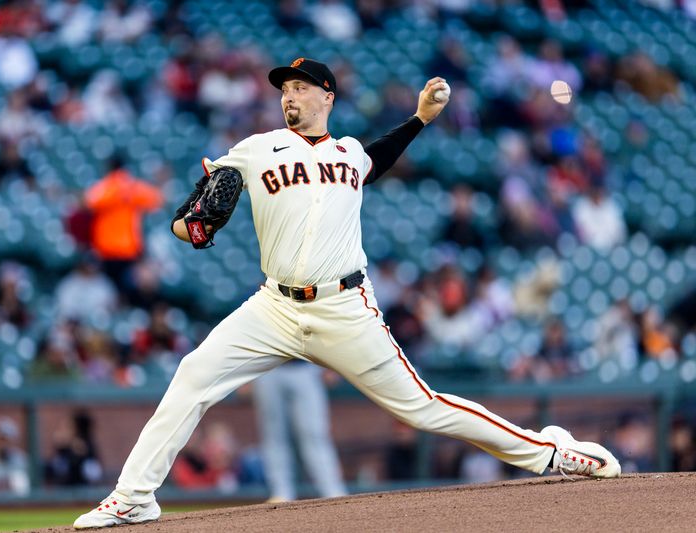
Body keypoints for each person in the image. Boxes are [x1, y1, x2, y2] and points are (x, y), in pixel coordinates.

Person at [74, 58, 621, 529]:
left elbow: (379, 154)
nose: (289, 95)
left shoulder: (350, 154)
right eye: (283, 89)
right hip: (274, 306)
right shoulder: (254, 150)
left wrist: (420, 120)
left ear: (325, 96)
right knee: (193, 375)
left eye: (299, 87)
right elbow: (187, 223)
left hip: (344, 306)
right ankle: (133, 499)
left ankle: (552, 453)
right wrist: (193, 224)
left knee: (425, 408)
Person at [252, 361, 347, 502]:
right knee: (274, 435)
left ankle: (332, 491)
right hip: (268, 366)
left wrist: (329, 364)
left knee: (314, 433)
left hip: (304, 365)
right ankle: (281, 493)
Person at [84, 155, 163, 290]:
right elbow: (156, 199)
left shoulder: (106, 186)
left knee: (113, 287)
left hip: (107, 247)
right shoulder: (132, 186)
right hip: (128, 247)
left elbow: (90, 201)